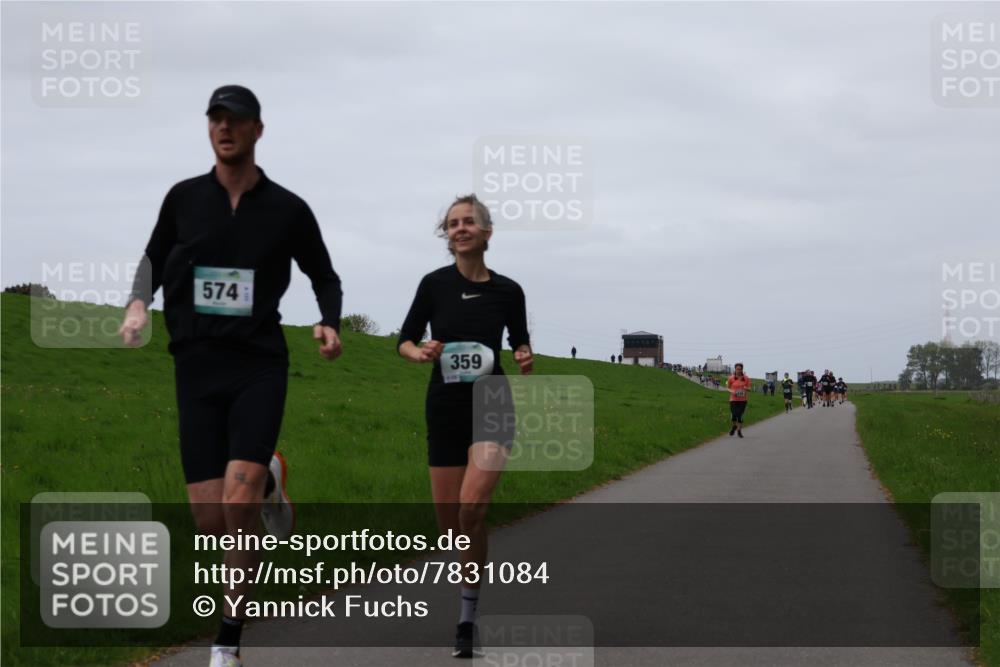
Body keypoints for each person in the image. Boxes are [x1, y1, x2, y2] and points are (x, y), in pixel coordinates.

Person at [119, 85, 344, 667]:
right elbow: (151, 259)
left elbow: (324, 274)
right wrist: (138, 305)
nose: (225, 128)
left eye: (236, 120)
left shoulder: (288, 208)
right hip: (194, 365)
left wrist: (328, 322)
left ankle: (228, 636)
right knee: (210, 517)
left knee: (237, 501)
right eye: (216, 119)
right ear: (209, 128)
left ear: (257, 131)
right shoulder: (184, 198)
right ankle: (271, 479)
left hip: (257, 364)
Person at [397, 194, 533, 658]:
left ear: (486, 233)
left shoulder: (509, 291)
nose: (460, 229)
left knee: (472, 507)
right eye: (452, 223)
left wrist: (524, 354)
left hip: (492, 401)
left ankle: (466, 621)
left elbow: (521, 341)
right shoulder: (433, 285)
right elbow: (405, 339)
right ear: (447, 235)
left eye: (468, 222)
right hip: (444, 404)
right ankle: (467, 604)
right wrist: (419, 353)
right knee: (451, 525)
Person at [725, 363, 751, 438]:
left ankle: (739, 431)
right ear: (735, 369)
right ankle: (734, 427)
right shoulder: (731, 378)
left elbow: (749, 388)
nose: (739, 370)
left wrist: (746, 388)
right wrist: (732, 391)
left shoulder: (746, 378)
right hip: (733, 399)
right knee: (734, 415)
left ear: (742, 370)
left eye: (740, 369)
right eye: (737, 369)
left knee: (740, 416)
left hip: (743, 400)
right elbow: (727, 388)